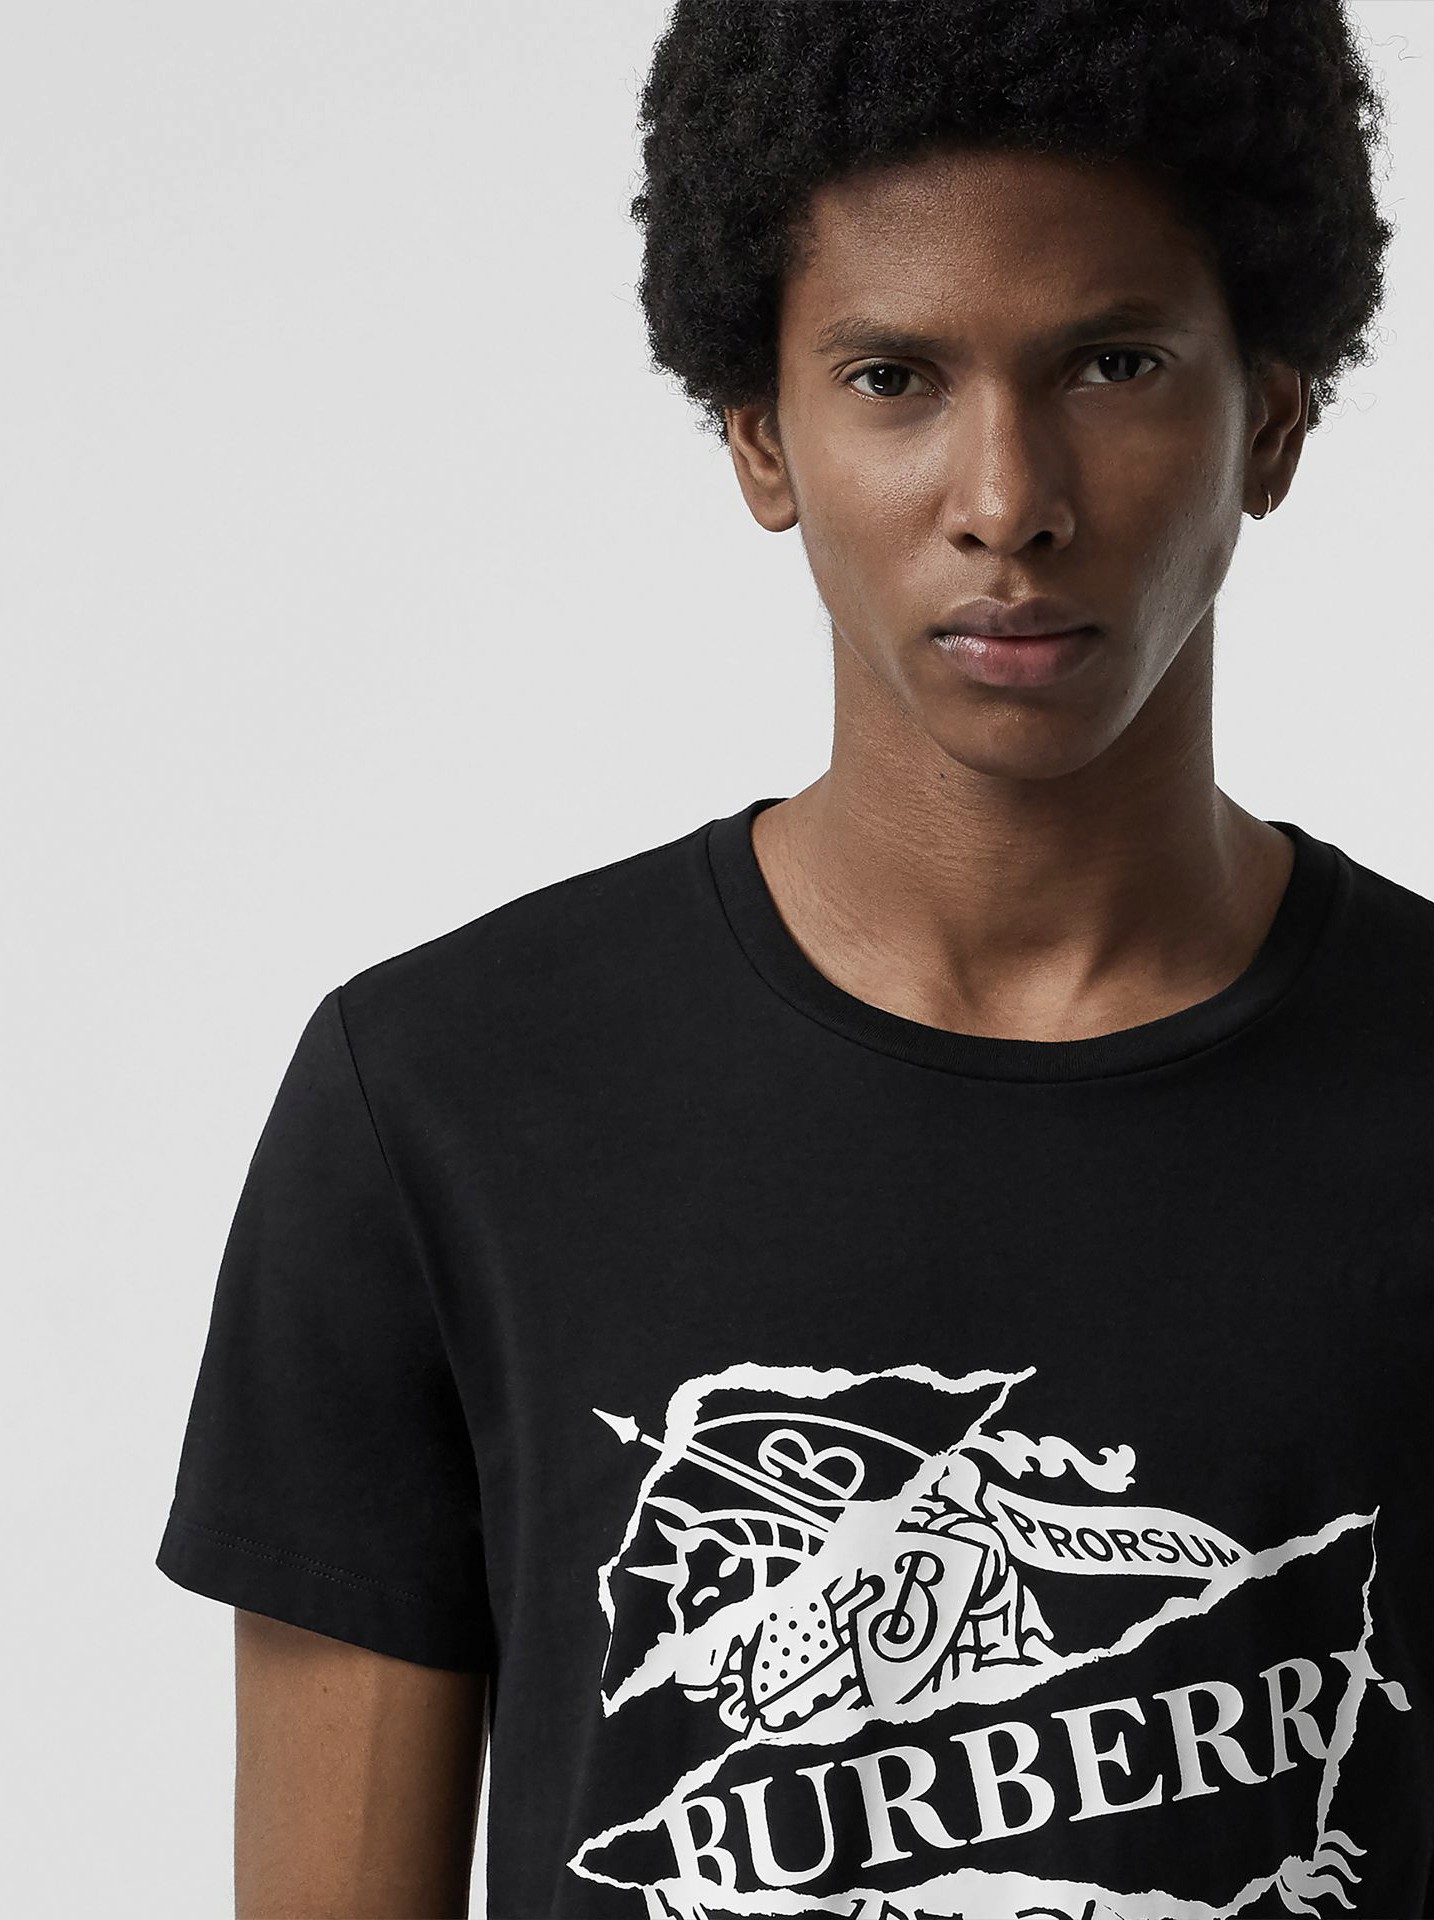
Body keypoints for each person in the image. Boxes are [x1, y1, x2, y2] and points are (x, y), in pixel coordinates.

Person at [155, 3, 1431, 1916]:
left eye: (1110, 363)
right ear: (760, 434)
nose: (1004, 500)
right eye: (893, 377)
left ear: (1272, 418)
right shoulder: (445, 1100)